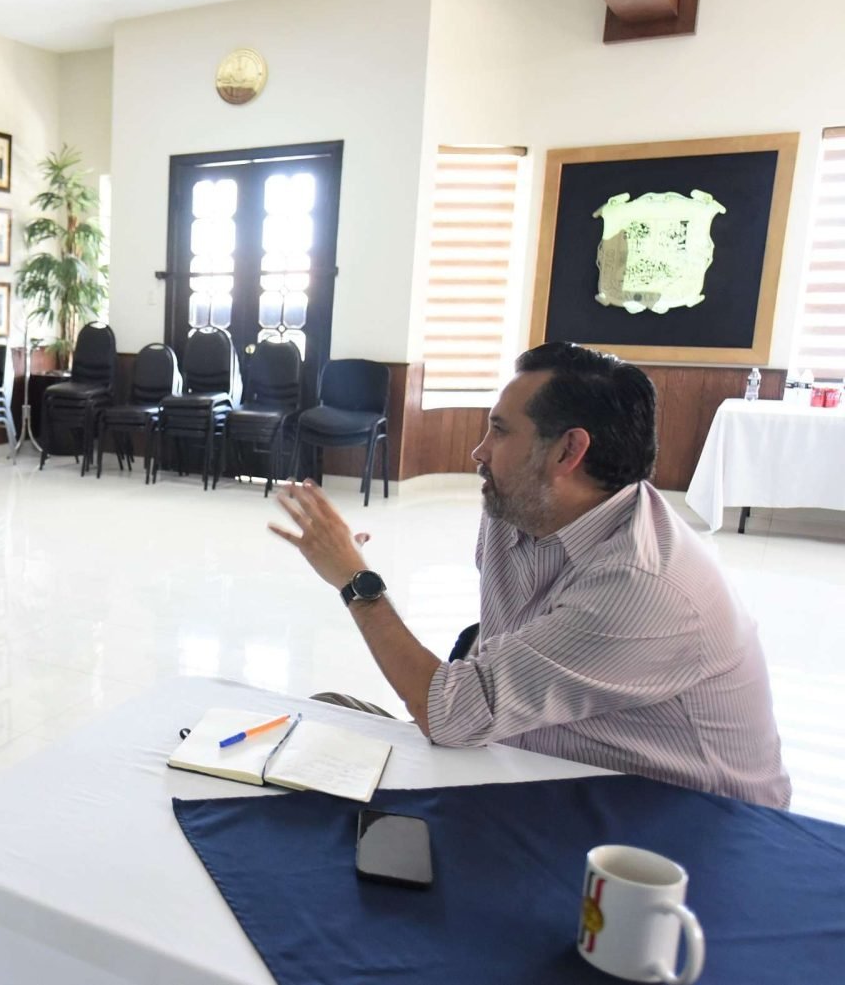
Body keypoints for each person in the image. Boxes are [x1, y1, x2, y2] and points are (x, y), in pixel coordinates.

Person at [270, 342, 791, 808]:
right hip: (535, 760)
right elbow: (470, 700)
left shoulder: (642, 584)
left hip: (672, 820)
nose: (478, 451)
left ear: (568, 451)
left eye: (499, 431)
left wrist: (356, 581)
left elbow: (451, 713)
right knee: (322, 721)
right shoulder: (515, 506)